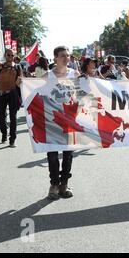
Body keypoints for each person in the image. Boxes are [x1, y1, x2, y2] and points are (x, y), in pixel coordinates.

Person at [45, 46, 80, 200]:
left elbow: (81, 93)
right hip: (52, 119)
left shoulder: (75, 74)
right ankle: (54, 184)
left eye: (68, 55)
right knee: (52, 154)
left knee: (68, 154)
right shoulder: (47, 76)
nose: (66, 58)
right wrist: (22, 84)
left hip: (69, 119)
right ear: (55, 58)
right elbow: (36, 93)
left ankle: (64, 184)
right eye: (62, 56)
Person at [0, 49, 23, 147]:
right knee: (2, 117)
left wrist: (19, 82)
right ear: (5, 55)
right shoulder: (0, 66)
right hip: (1, 94)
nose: (10, 57)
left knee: (13, 117)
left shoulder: (17, 67)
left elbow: (22, 79)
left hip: (13, 94)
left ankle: (12, 139)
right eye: (8, 55)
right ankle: (4, 132)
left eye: (12, 55)